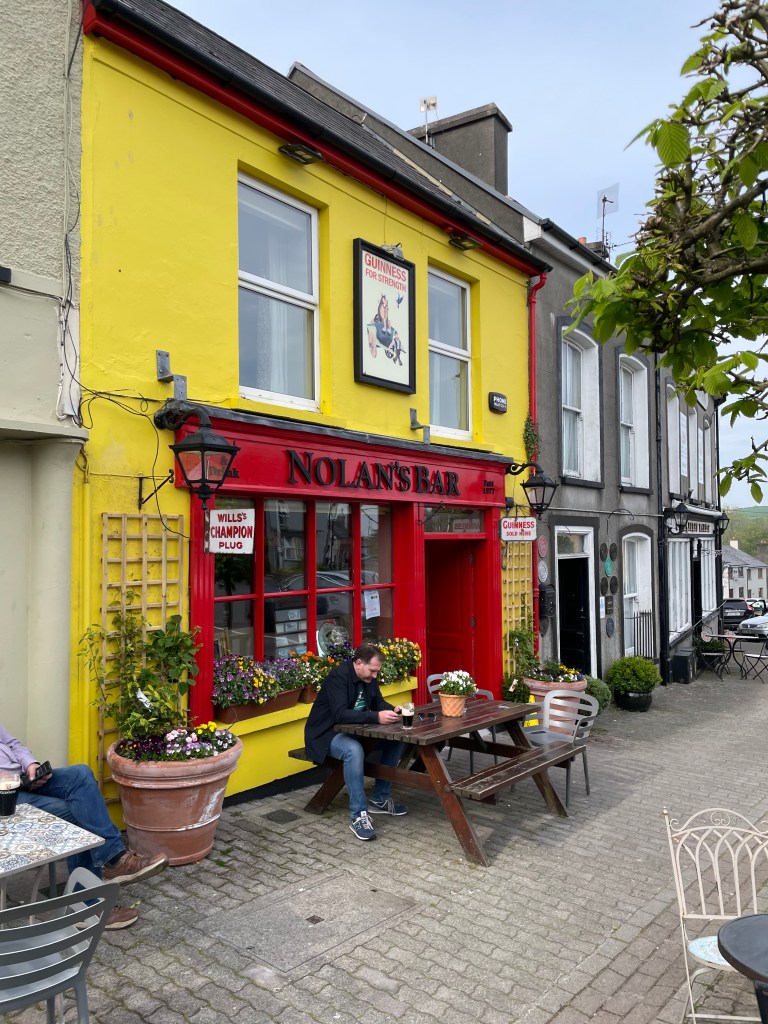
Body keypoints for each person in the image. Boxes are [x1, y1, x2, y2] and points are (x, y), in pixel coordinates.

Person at [0, 723, 168, 929]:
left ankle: (114, 860)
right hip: (5, 797)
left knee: (80, 774)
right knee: (78, 812)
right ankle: (89, 906)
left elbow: (11, 743)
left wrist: (30, 766)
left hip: (23, 780)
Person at [304, 643, 408, 841]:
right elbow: (340, 714)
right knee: (353, 750)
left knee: (396, 739)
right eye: (372, 670)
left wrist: (393, 710)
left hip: (356, 730)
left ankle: (380, 799)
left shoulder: (368, 677)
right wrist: (376, 717)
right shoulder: (338, 677)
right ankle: (358, 815)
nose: (374, 676)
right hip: (326, 734)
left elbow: (377, 702)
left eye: (377, 671)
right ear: (358, 663)